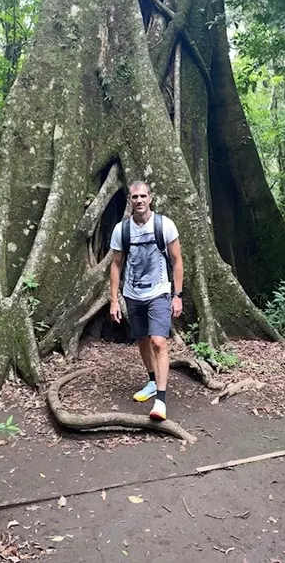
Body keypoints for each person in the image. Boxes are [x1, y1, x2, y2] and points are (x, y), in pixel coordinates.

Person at [109, 179, 183, 422]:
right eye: (134, 197)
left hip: (159, 292)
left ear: (150, 198)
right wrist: (113, 299)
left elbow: (177, 260)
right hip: (133, 294)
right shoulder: (123, 230)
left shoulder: (165, 225)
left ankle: (160, 400)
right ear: (130, 201)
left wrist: (177, 296)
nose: (139, 200)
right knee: (142, 339)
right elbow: (116, 264)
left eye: (143, 196)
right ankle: (152, 382)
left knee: (159, 342)